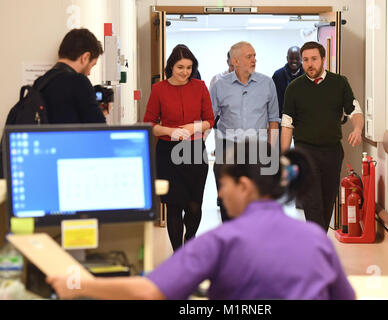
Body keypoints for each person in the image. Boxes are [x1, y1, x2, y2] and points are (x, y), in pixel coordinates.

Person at [46, 140, 355, 300]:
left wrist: (77, 284)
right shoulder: (315, 238)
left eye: (223, 184)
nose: (220, 193)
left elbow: (150, 291)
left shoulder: (223, 240)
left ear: (244, 186)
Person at [281, 41, 364, 233]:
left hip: (332, 152)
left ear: (324, 60)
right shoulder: (294, 88)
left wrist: (357, 129)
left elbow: (355, 110)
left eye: (314, 59)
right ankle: (318, 250)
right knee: (312, 204)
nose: (310, 64)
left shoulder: (339, 83)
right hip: (305, 152)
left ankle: (318, 242)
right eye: (306, 60)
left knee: (327, 203)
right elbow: (287, 125)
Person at [143, 44, 215, 252]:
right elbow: (149, 124)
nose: (185, 72)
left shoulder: (200, 87)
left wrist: (195, 127)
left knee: (194, 206)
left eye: (189, 67)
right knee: (173, 206)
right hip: (168, 153)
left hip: (194, 152)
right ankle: (178, 254)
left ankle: (190, 243)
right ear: (170, 67)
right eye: (180, 67)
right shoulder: (159, 89)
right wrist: (169, 131)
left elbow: (210, 120)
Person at [210, 41, 279, 222]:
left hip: (258, 147)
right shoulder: (219, 85)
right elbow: (210, 118)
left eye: (254, 56)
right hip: (228, 146)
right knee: (227, 197)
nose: (254, 60)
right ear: (236, 61)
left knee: (257, 197)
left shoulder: (267, 83)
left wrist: (273, 152)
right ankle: (230, 236)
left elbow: (273, 120)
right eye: (249, 56)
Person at [34, 28, 106, 123]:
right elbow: (99, 130)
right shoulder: (79, 82)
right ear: (85, 57)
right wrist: (103, 112)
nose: (89, 73)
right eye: (92, 65)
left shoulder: (40, 82)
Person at [272, 46, 304, 119]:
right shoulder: (277, 75)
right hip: (282, 119)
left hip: (303, 120)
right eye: (291, 58)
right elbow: (273, 99)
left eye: (297, 58)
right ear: (287, 58)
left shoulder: (308, 76)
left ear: (301, 58)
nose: (294, 61)